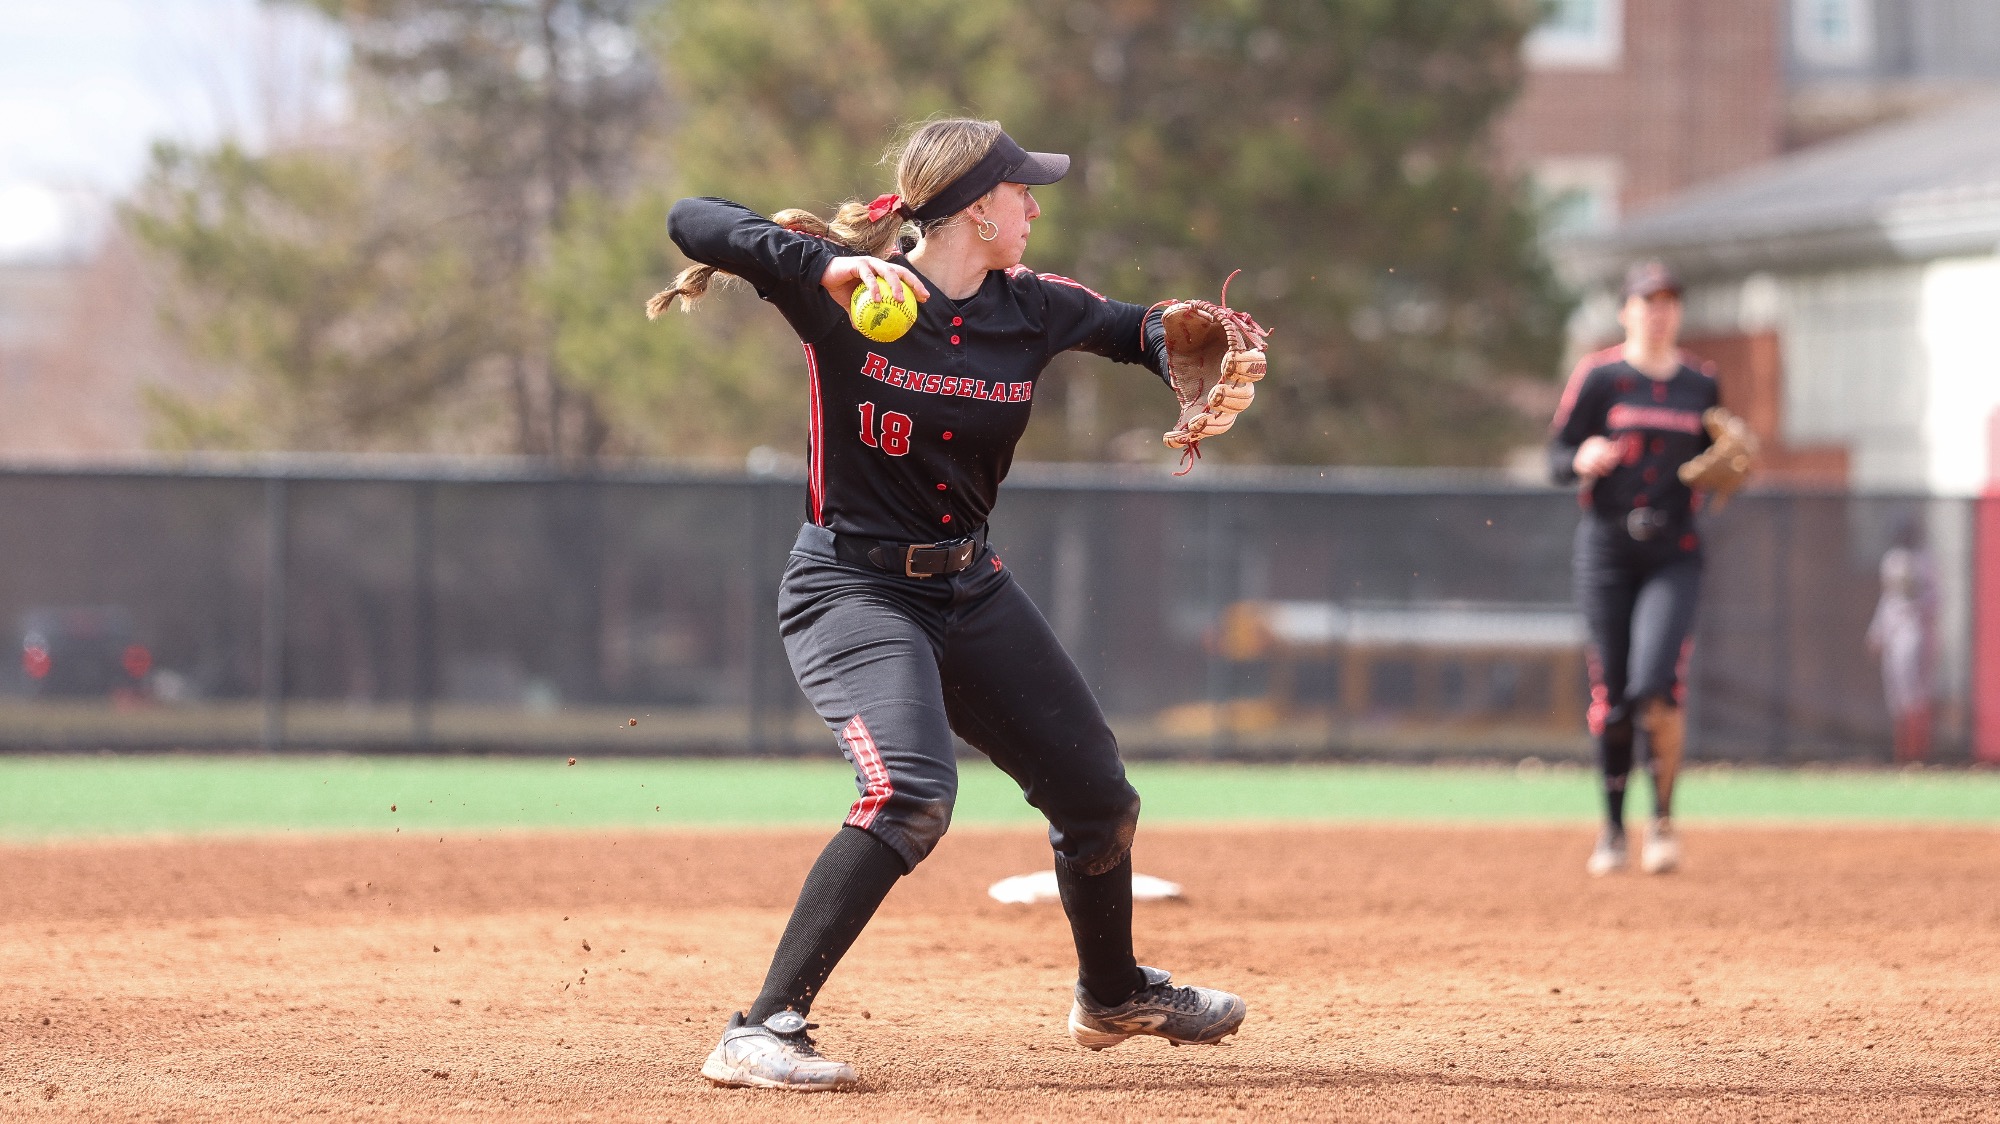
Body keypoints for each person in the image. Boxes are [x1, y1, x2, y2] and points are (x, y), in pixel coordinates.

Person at [653, 119, 1252, 1091]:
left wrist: (1173, 339)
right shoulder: (841, 289)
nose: (1034, 206)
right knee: (910, 792)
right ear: (978, 207)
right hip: (850, 584)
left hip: (967, 585)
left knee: (1096, 796)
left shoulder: (1032, 307)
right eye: (1023, 191)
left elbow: (1128, 327)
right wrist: (827, 266)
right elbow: (693, 218)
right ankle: (760, 1026)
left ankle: (1112, 994)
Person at [1549, 261, 1720, 877]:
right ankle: (1615, 829)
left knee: (1656, 685)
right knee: (1614, 694)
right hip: (1608, 551)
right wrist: (1581, 456)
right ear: (1626, 312)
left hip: (1673, 551)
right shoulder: (1600, 376)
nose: (1658, 311)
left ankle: (1665, 823)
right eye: (1647, 301)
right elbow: (1555, 455)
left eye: (1669, 300)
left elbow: (1719, 459)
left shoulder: (1701, 383)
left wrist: (1731, 469)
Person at [1868, 517, 1937, 763]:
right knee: (1896, 697)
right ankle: (1902, 756)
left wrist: (1917, 611)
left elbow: (1934, 598)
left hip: (1915, 632)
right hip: (1894, 634)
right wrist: (1877, 631)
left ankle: (1918, 754)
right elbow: (1888, 600)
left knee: (1915, 695)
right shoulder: (1892, 561)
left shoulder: (1924, 562)